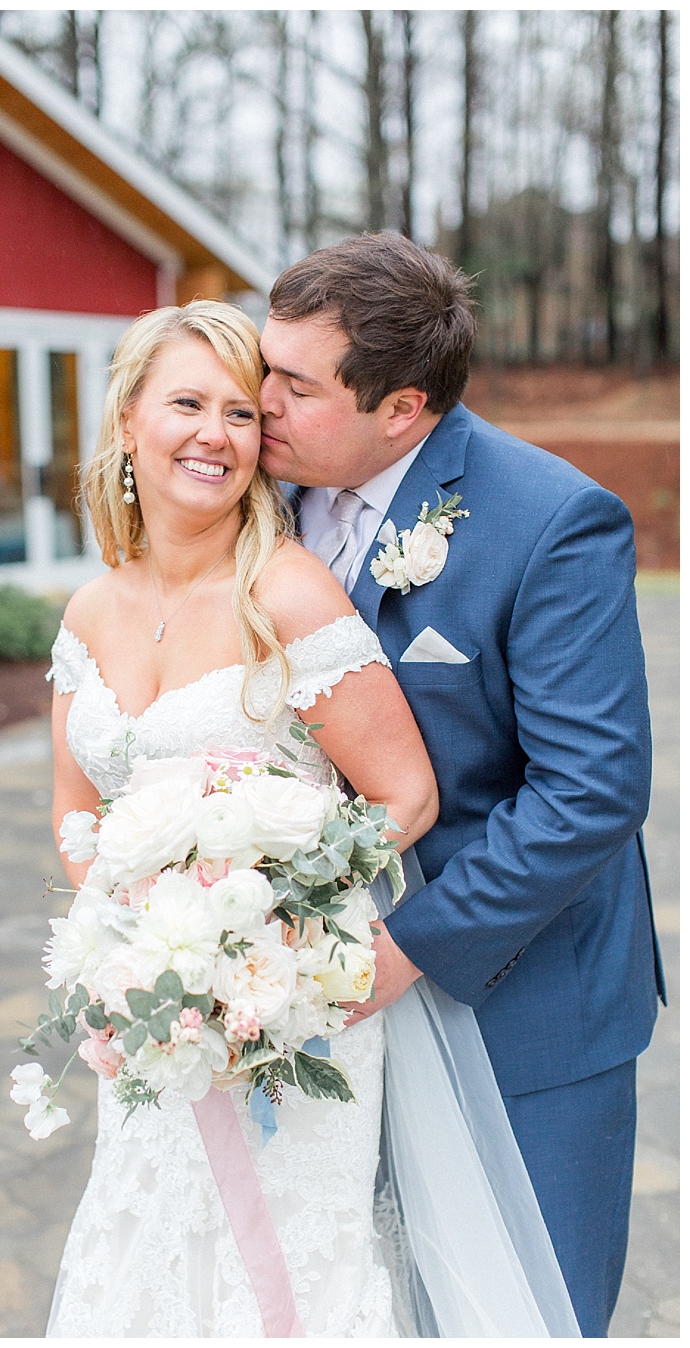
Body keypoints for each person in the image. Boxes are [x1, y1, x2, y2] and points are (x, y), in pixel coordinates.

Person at [44, 300, 583, 1336]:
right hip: (158, 1024)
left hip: (283, 1012)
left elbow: (404, 796)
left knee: (282, 1285)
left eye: (242, 414)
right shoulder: (90, 610)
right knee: (147, 1258)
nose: (216, 433)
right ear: (126, 423)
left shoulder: (285, 597)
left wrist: (271, 948)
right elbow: (78, 817)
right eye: (188, 404)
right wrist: (126, 960)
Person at [258, 233, 659, 1338]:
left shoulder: (552, 522)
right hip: (314, 1007)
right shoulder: (264, 507)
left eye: (294, 383)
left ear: (403, 411)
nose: (260, 404)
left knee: (525, 1310)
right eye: (263, 365)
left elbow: (592, 790)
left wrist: (403, 949)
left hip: (523, 999)